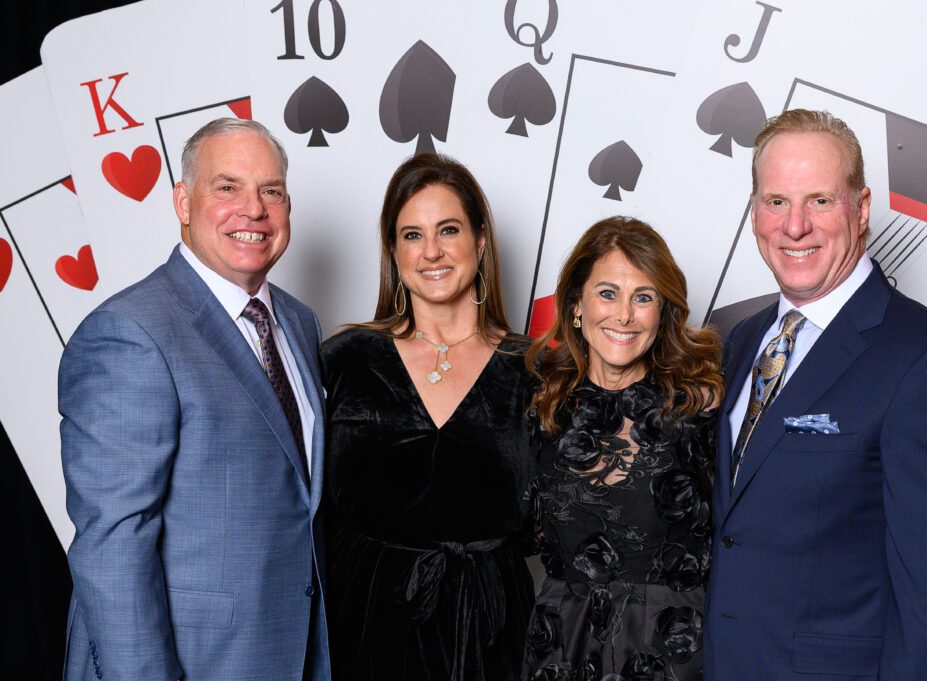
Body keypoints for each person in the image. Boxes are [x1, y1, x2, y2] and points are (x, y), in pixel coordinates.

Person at [705, 109, 927, 681]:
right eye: (775, 202)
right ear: (753, 211)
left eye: (819, 200)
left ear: (860, 208)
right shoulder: (743, 341)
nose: (795, 227)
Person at [59, 118, 329, 681]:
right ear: (183, 201)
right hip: (193, 664)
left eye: (271, 191)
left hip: (291, 653)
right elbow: (113, 548)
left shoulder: (299, 324)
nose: (253, 209)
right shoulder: (130, 333)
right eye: (227, 187)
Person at [320, 154, 535, 680]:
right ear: (393, 251)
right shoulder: (343, 359)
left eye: (449, 230)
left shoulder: (536, 370)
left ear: (480, 241)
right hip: (363, 628)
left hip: (490, 633)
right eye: (412, 235)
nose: (432, 251)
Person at [522, 216, 724, 681]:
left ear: (664, 312)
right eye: (607, 293)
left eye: (644, 297)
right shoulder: (540, 407)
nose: (624, 315)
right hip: (561, 651)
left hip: (674, 656)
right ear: (576, 304)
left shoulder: (703, 407)